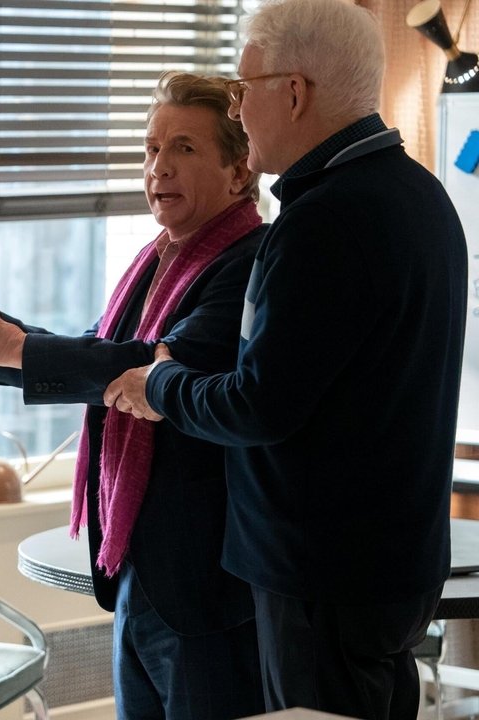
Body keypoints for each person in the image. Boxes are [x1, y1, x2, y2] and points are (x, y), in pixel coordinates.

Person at [104, 0, 468, 716]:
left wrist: (163, 383)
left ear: (294, 92)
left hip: (321, 572)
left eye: (244, 90)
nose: (238, 111)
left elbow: (259, 404)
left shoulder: (322, 223)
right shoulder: (421, 193)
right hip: (395, 558)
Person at [0, 72, 266, 719]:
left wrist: (14, 347)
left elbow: (154, 367)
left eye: (184, 148)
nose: (159, 167)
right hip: (138, 569)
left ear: (238, 169)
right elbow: (102, 348)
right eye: (151, 148)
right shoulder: (159, 256)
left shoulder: (250, 261)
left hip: (205, 589)